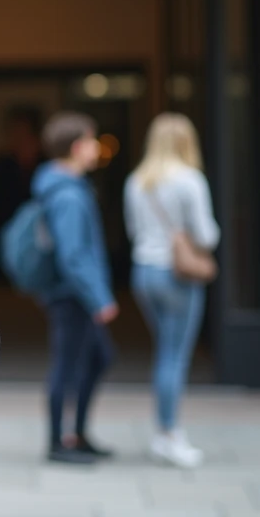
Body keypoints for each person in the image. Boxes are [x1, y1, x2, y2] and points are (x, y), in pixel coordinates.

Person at [124, 112, 219, 469]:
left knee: (166, 351)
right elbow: (207, 235)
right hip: (177, 274)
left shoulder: (137, 181)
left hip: (144, 273)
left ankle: (164, 432)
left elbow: (133, 231)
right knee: (174, 356)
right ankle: (170, 435)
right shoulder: (190, 180)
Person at [32, 111, 118, 465]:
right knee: (67, 367)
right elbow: (74, 256)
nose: (96, 148)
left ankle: (77, 433)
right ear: (78, 146)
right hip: (72, 296)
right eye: (92, 141)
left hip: (73, 294)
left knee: (98, 358)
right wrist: (99, 298)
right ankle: (58, 442)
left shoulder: (67, 186)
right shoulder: (68, 195)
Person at [0, 105, 45, 238]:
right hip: (5, 235)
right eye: (12, 132)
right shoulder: (3, 166)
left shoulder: (46, 166)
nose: (16, 138)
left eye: (21, 132)